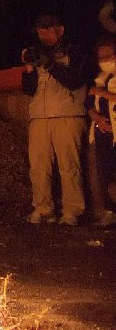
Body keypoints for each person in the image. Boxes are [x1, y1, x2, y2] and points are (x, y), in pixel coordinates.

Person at [21, 14, 89, 225]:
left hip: (68, 115)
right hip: (39, 118)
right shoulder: (39, 54)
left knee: (69, 166)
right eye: (40, 31)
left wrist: (48, 64)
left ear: (60, 29)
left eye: (47, 30)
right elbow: (29, 90)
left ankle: (72, 210)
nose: (43, 35)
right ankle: (43, 208)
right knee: (38, 167)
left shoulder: (76, 51)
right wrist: (30, 68)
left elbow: (75, 81)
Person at [84, 35, 116, 227]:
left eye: (108, 56)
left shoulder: (103, 85)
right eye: (100, 57)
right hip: (102, 133)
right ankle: (108, 213)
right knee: (104, 174)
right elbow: (88, 103)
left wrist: (102, 93)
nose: (104, 60)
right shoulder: (99, 79)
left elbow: (101, 95)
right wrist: (96, 118)